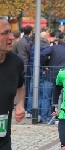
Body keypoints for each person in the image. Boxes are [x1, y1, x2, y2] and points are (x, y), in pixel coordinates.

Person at [0, 16, 25, 149]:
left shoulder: (16, 62)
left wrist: (20, 104)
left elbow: (20, 87)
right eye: (5, 33)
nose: (12, 37)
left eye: (10, 32)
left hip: (3, 142)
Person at [40, 35, 65, 124]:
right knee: (61, 98)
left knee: (46, 97)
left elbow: (43, 54)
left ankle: (44, 118)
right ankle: (58, 117)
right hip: (63, 77)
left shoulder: (54, 48)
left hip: (50, 75)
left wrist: (45, 65)